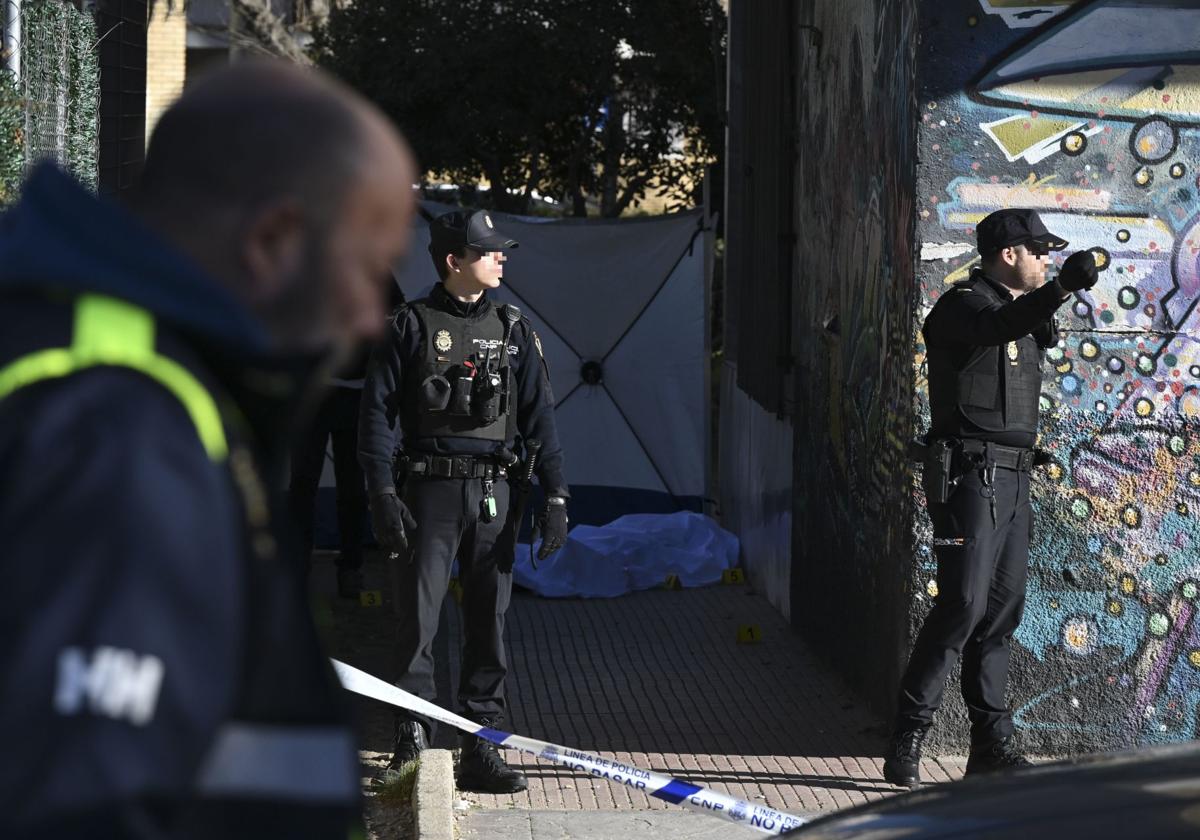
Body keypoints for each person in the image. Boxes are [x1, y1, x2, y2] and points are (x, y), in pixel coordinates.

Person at [0, 60, 416, 837]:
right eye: (368, 269)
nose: (371, 319)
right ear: (273, 240)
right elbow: (85, 804)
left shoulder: (141, 380)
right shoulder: (119, 430)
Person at [883, 209, 1098, 788]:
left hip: (1014, 478)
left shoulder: (1020, 314)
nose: (1046, 260)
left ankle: (990, 745)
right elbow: (994, 329)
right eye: (1039, 252)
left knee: (1001, 612)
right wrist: (1062, 287)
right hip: (967, 482)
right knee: (963, 603)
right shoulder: (963, 306)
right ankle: (909, 729)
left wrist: (1054, 296)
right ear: (1010, 255)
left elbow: (1028, 325)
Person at [359, 209, 569, 794]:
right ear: (455, 260)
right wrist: (380, 493)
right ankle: (412, 737)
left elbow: (540, 419)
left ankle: (483, 745)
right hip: (427, 492)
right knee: (417, 623)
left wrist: (556, 497)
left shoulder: (513, 329)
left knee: (489, 623)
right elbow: (374, 418)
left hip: (494, 495)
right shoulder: (408, 326)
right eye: (489, 251)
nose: (502, 258)